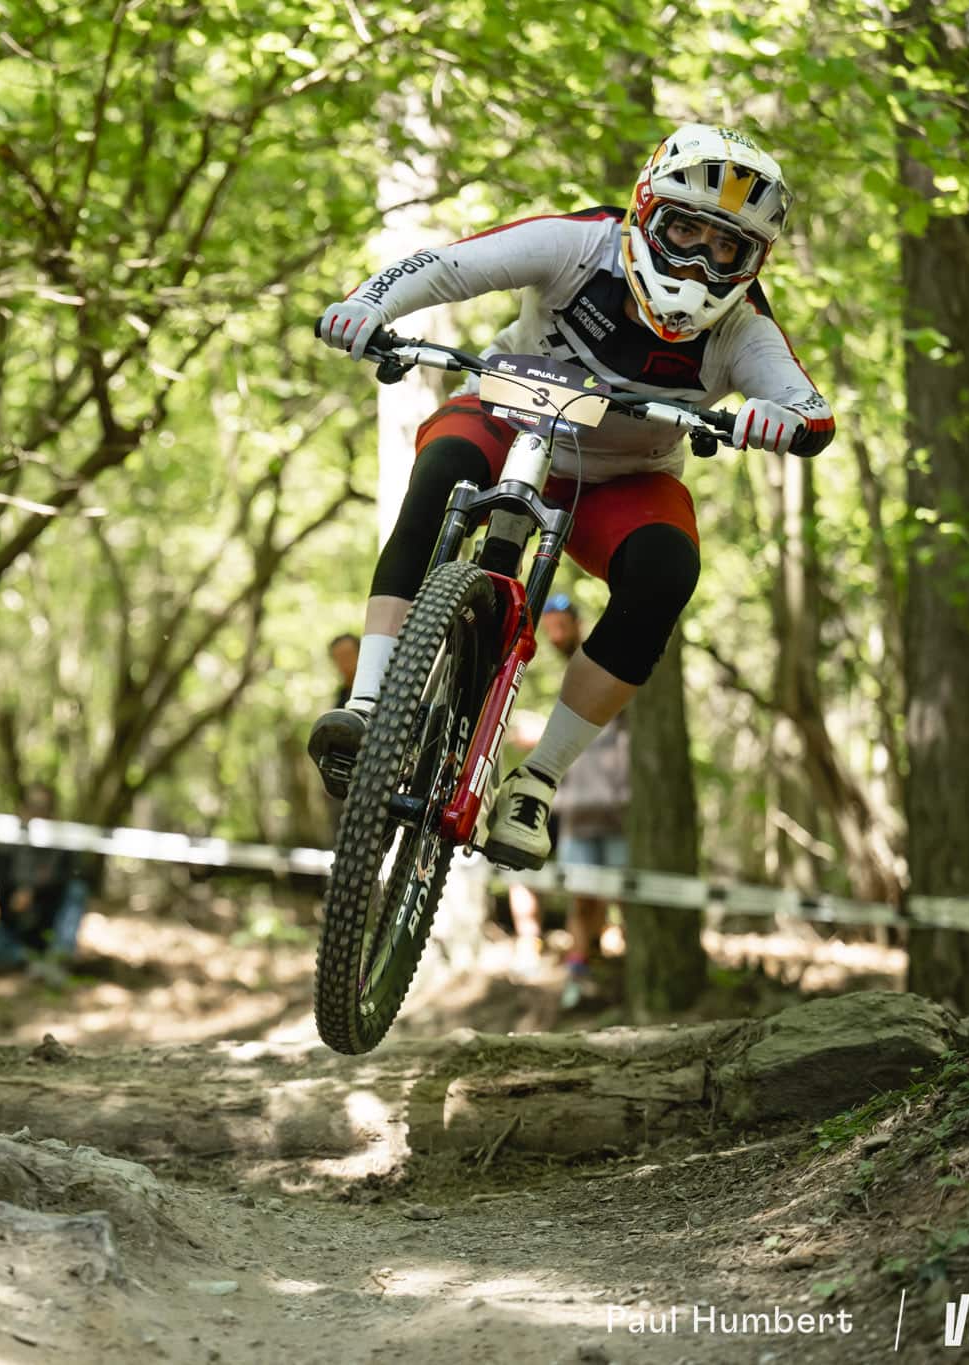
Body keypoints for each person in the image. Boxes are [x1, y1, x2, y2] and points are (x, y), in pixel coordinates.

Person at [307, 123, 833, 870]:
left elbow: (810, 409)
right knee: (441, 469)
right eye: (683, 230)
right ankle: (365, 704)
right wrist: (369, 304)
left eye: (726, 247)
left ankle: (538, 780)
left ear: (752, 262)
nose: (698, 259)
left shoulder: (744, 330)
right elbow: (449, 266)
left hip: (623, 476)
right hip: (506, 412)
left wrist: (779, 420)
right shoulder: (578, 244)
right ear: (644, 213)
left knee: (666, 572)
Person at [534, 595, 631, 1007]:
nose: (555, 635)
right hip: (575, 808)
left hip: (616, 807)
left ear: (576, 623)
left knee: (627, 892)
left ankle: (632, 972)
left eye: (561, 625)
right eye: (549, 628)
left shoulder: (607, 662)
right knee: (582, 895)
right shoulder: (567, 675)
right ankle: (578, 971)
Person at [0, 783, 91, 972]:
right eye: (32, 806)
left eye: (43, 808)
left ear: (52, 814)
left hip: (47, 935)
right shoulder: (5, 852)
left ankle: (58, 960)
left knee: (77, 890)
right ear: (21, 810)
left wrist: (35, 892)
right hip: (10, 933)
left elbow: (81, 883)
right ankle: (24, 961)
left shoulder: (62, 853)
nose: (37, 814)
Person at [328, 633, 360, 710]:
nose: (345, 663)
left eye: (348, 655)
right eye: (339, 658)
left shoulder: (374, 690)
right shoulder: (341, 697)